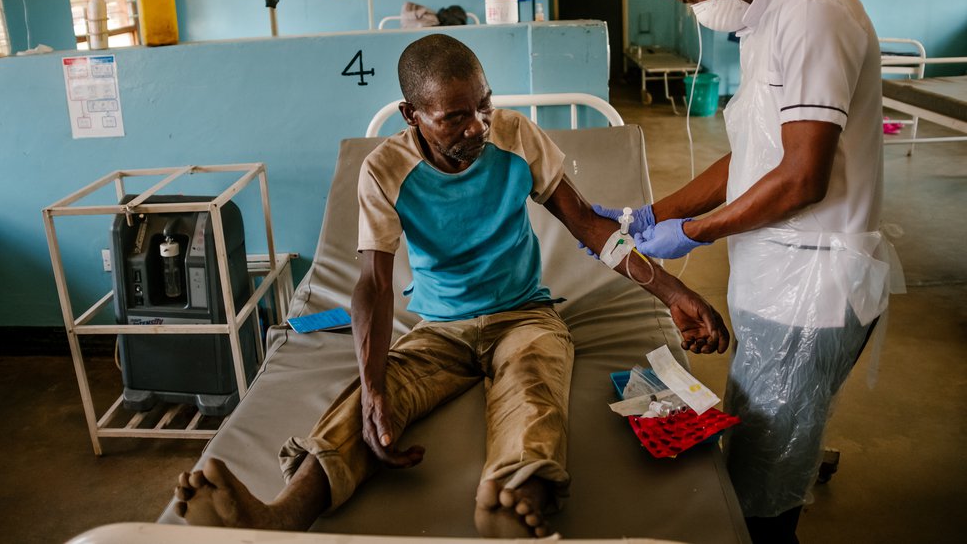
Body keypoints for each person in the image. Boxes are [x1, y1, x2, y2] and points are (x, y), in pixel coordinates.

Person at [173, 33, 729, 538]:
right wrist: (372, 384)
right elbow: (373, 283)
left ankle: (513, 497)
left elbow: (590, 226)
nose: (478, 127)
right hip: (440, 328)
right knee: (367, 405)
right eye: (455, 117)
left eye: (484, 105)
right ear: (412, 115)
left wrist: (675, 293)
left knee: (535, 394)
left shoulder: (514, 136)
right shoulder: (385, 169)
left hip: (525, 317)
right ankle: (286, 510)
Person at [591, 0, 894, 544]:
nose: (695, 9)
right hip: (776, 277)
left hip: (813, 286)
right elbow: (754, 156)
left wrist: (692, 233)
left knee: (763, 489)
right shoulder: (765, 20)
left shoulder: (813, 16)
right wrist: (650, 212)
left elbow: (802, 176)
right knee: (764, 441)